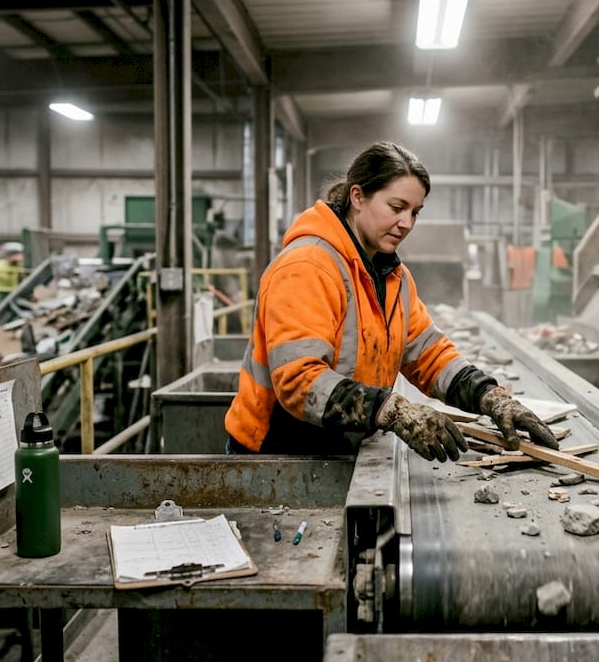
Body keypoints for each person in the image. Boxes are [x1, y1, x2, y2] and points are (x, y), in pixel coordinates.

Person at [224, 141, 558, 461]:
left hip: (338, 445)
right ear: (357, 196)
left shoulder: (391, 276)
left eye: (415, 212)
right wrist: (391, 410)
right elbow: (300, 381)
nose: (407, 223)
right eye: (397, 208)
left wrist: (488, 396)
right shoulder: (307, 267)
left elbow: (428, 354)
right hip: (280, 455)